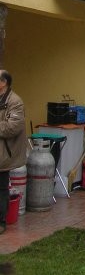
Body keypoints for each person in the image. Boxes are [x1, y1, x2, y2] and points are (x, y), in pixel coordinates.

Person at [0, 70, 27, 233]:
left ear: (3, 83)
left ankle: (1, 222)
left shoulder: (15, 101)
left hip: (4, 153)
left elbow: (13, 127)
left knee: (1, 188)